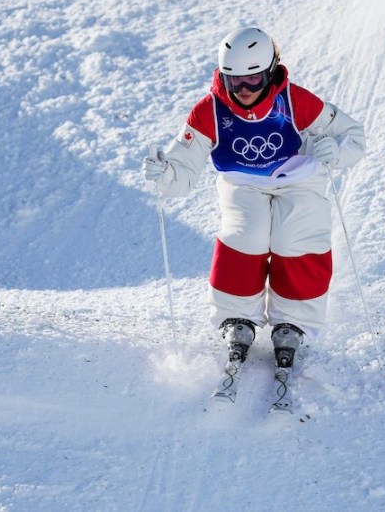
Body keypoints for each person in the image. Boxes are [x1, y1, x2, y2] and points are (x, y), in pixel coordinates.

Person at [142, 27, 365, 371]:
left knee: (297, 235)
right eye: (234, 83)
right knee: (245, 235)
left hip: (298, 179)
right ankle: (237, 317)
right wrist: (166, 174)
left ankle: (293, 321)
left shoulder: (294, 100)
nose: (244, 91)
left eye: (254, 80)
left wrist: (335, 150)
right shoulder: (209, 112)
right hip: (242, 183)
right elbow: (183, 170)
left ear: (271, 71)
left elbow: (353, 136)